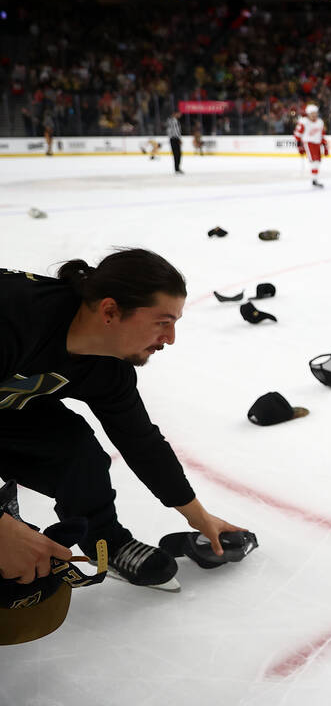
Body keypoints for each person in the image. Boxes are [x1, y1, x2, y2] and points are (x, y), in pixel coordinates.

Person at [0, 249, 248, 590]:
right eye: (162, 322)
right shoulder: (13, 318)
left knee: (77, 451)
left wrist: (198, 516)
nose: (170, 339)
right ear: (110, 311)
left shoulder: (107, 368)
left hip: (9, 410)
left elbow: (141, 441)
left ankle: (110, 543)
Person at [293, 103, 328, 188]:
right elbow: (297, 134)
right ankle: (314, 180)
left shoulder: (320, 122)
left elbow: (322, 134)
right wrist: (299, 146)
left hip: (317, 143)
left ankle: (314, 179)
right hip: (308, 143)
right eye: (312, 113)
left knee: (318, 162)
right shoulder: (304, 122)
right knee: (314, 161)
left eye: (315, 113)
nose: (314, 115)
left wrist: (324, 145)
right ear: (308, 114)